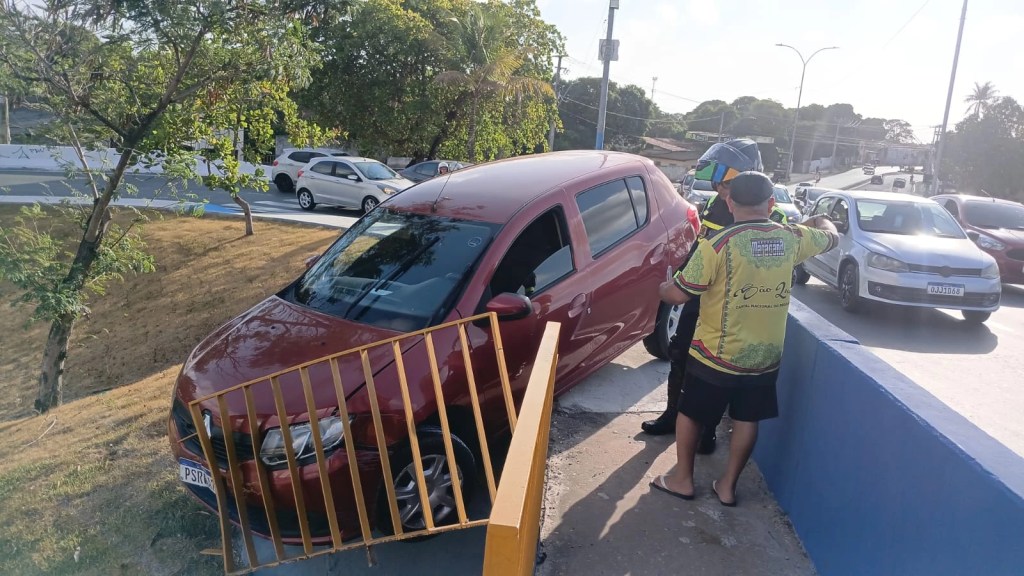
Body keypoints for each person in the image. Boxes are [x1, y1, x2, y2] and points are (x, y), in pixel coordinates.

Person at [648, 171, 838, 506]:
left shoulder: (716, 246)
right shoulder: (791, 238)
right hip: (764, 356)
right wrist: (821, 220)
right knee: (747, 419)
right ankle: (728, 486)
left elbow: (678, 295)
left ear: (729, 200)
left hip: (715, 356)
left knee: (690, 413)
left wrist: (662, 286)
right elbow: (829, 234)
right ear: (771, 203)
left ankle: (683, 479)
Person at [641, 138, 789, 456]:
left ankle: (706, 435)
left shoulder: (773, 217)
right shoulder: (714, 206)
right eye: (720, 184)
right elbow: (700, 248)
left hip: (734, 307)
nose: (723, 191)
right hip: (699, 296)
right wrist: (681, 278)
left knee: (713, 375)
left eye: (728, 184)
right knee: (680, 354)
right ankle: (671, 415)